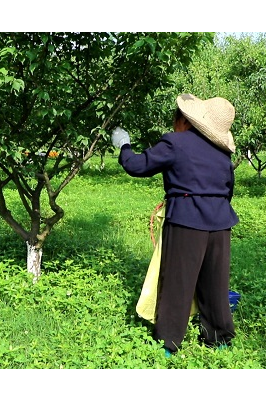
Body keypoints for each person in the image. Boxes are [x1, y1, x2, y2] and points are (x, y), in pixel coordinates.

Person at [111, 93, 239, 356]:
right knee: (214, 283)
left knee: (177, 283)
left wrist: (124, 145)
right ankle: (220, 339)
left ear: (185, 121)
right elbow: (228, 190)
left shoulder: (175, 143)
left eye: (175, 119)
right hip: (220, 224)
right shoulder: (222, 154)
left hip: (186, 221)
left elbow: (137, 165)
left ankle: (168, 344)